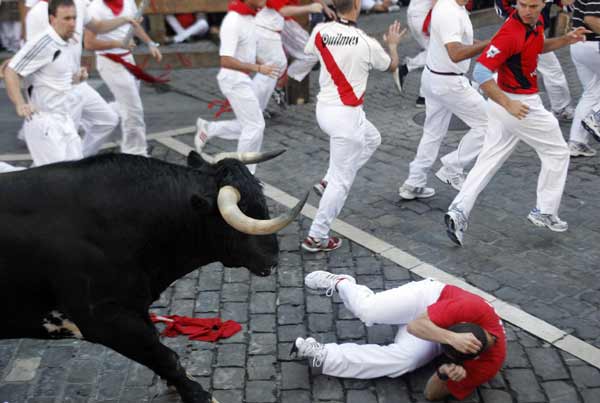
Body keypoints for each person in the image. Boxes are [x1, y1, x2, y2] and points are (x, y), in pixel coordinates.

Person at [445, 0, 589, 246]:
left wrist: (567, 39)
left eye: (533, 6)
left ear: (543, 5)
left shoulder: (537, 22)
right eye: (523, 4)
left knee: (489, 158)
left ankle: (458, 211)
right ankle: (544, 210)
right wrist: (508, 104)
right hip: (519, 105)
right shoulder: (510, 33)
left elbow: (537, 47)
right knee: (557, 151)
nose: (527, 10)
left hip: (507, 105)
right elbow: (480, 73)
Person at [292, 271, 506, 401]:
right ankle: (342, 282)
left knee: (405, 360)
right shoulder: (474, 308)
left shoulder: (489, 365)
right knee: (369, 311)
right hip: (427, 298)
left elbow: (431, 395)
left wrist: (444, 373)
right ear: (462, 324)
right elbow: (415, 325)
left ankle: (324, 355)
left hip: (436, 334)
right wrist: (450, 338)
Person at [301, 0, 406, 252]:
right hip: (346, 118)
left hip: (324, 110)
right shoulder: (366, 43)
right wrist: (392, 45)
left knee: (373, 139)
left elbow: (309, 52)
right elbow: (392, 66)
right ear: (357, 5)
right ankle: (317, 236)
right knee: (342, 182)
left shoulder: (320, 31)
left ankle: (326, 182)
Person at [398, 0, 490, 199]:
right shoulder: (449, 10)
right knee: (489, 124)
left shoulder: (454, 7)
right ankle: (453, 168)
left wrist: (489, 45)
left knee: (432, 132)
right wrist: (488, 45)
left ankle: (414, 182)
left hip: (435, 78)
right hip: (448, 82)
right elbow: (456, 53)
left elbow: (460, 43)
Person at [24, 0, 128, 157]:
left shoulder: (77, 3)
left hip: (78, 83)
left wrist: (125, 19)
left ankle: (80, 162)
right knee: (61, 149)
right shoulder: (38, 12)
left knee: (107, 120)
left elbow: (97, 26)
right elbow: (33, 53)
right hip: (54, 91)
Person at [194, 0, 279, 175]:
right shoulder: (233, 20)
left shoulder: (249, 17)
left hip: (241, 78)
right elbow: (225, 60)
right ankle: (242, 173)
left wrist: (263, 64)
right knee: (255, 126)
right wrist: (259, 69)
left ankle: (209, 129)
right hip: (233, 79)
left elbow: (247, 52)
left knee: (247, 124)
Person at [4, 0, 86, 166]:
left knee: (74, 176)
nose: (72, 23)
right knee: (56, 182)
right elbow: (10, 70)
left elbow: (56, 77)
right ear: (52, 19)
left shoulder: (68, 42)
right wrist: (20, 104)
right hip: (44, 123)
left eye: (74, 18)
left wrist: (77, 77)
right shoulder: (43, 43)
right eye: (66, 18)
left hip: (65, 120)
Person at [85, 0, 163, 157]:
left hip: (128, 59)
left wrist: (150, 43)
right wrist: (117, 43)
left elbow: (134, 24)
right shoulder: (95, 8)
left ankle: (89, 118)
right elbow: (89, 43)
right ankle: (135, 152)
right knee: (133, 110)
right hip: (109, 61)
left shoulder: (128, 2)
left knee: (125, 105)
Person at [495, 0, 576, 124]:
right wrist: (522, 17)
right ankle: (561, 109)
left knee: (513, 66)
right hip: (520, 27)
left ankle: (494, 93)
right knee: (550, 69)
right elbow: (501, 9)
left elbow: (566, 4)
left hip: (533, 28)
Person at [253, 0, 324, 113]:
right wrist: (309, 8)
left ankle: (258, 106)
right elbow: (283, 10)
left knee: (274, 70)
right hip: (265, 31)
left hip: (271, 29)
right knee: (269, 73)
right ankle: (252, 110)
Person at [567, 0, 600, 156]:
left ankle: (576, 142)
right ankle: (596, 118)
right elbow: (591, 19)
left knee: (591, 93)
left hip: (579, 45)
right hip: (594, 45)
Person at [394, 0, 435, 107]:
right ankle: (423, 97)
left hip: (414, 15)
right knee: (435, 53)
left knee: (433, 52)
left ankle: (405, 69)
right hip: (423, 17)